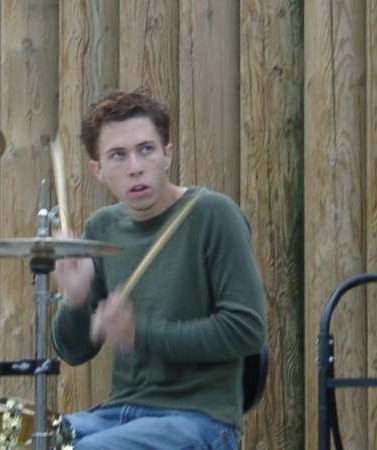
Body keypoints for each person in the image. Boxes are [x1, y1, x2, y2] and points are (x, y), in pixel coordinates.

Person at [50, 90, 266, 450]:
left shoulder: (214, 215)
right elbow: (73, 352)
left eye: (146, 149)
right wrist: (75, 300)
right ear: (97, 170)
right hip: (116, 415)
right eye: (118, 155)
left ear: (168, 154)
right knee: (23, 440)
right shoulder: (102, 227)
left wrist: (139, 333)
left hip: (199, 420)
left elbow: (247, 330)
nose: (134, 166)